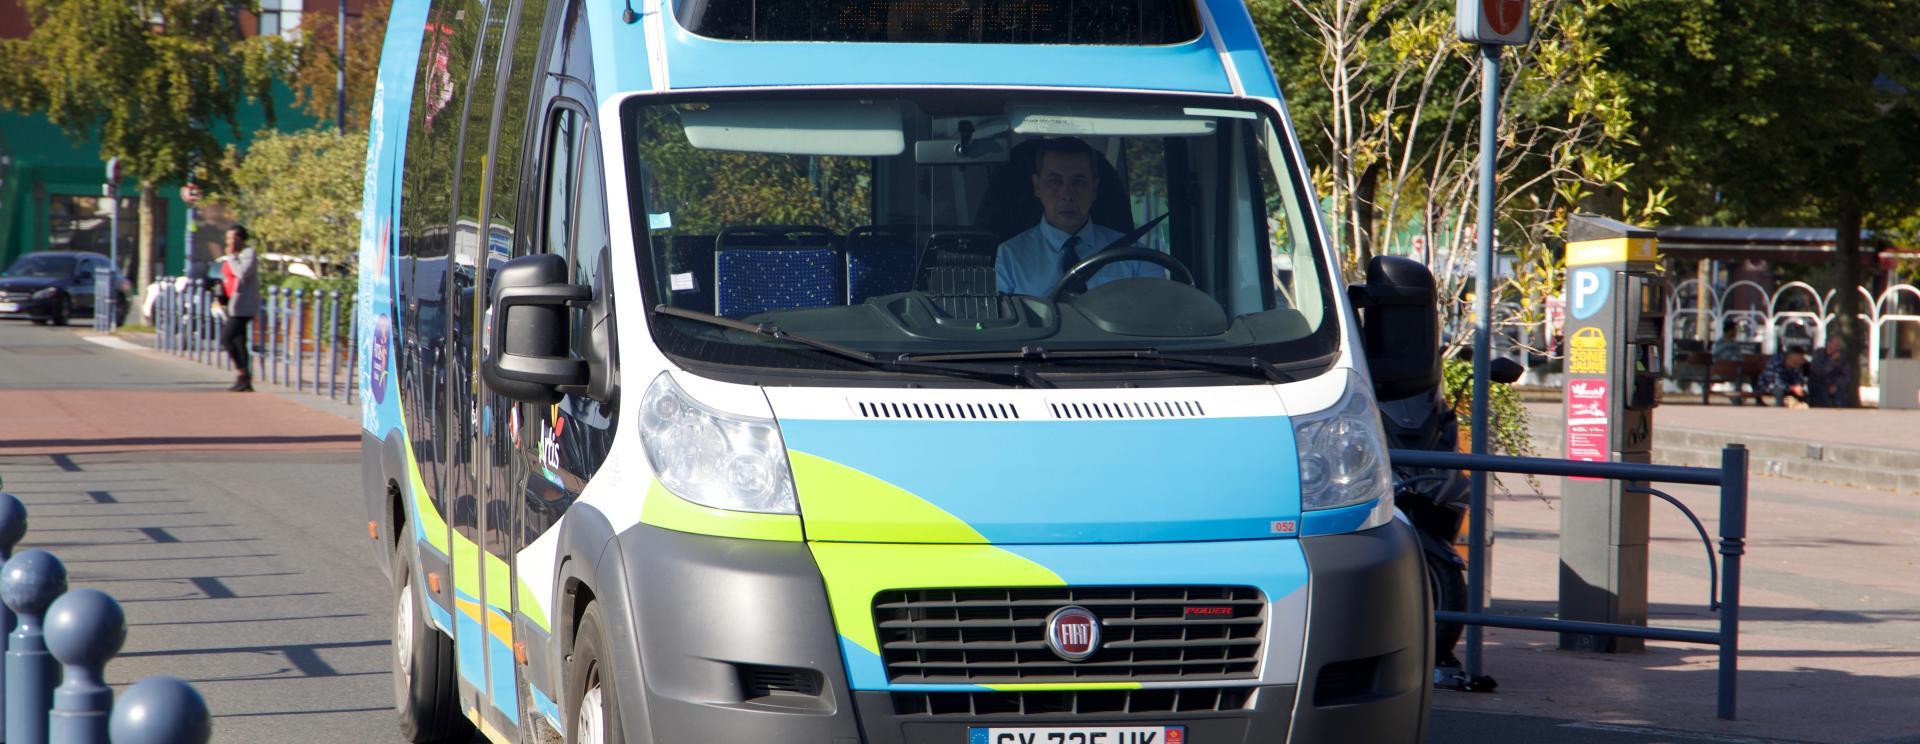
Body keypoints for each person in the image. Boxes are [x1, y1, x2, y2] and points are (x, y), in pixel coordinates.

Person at [994, 137, 1162, 297]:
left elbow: (1158, 313)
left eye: (1078, 182)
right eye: (1055, 181)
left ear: (1094, 188)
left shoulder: (1134, 256)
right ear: (1037, 186)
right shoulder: (1009, 258)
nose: (1067, 194)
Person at [217, 225, 260, 392]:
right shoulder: (232, 256)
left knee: (226, 339)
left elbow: (241, 273)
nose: (230, 241)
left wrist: (232, 256)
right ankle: (244, 380)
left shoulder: (248, 254)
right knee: (239, 341)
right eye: (228, 238)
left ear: (241, 239)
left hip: (243, 306)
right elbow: (226, 276)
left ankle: (242, 373)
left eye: (233, 238)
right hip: (231, 304)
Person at [1808, 336, 1854, 407]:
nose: (1837, 347)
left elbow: (1846, 375)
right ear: (1829, 343)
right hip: (1819, 384)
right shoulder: (1819, 354)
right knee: (1821, 393)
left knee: (1841, 396)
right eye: (1835, 344)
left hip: (1835, 385)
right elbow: (1818, 371)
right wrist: (1832, 361)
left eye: (1839, 345)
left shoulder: (1842, 358)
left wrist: (1837, 385)